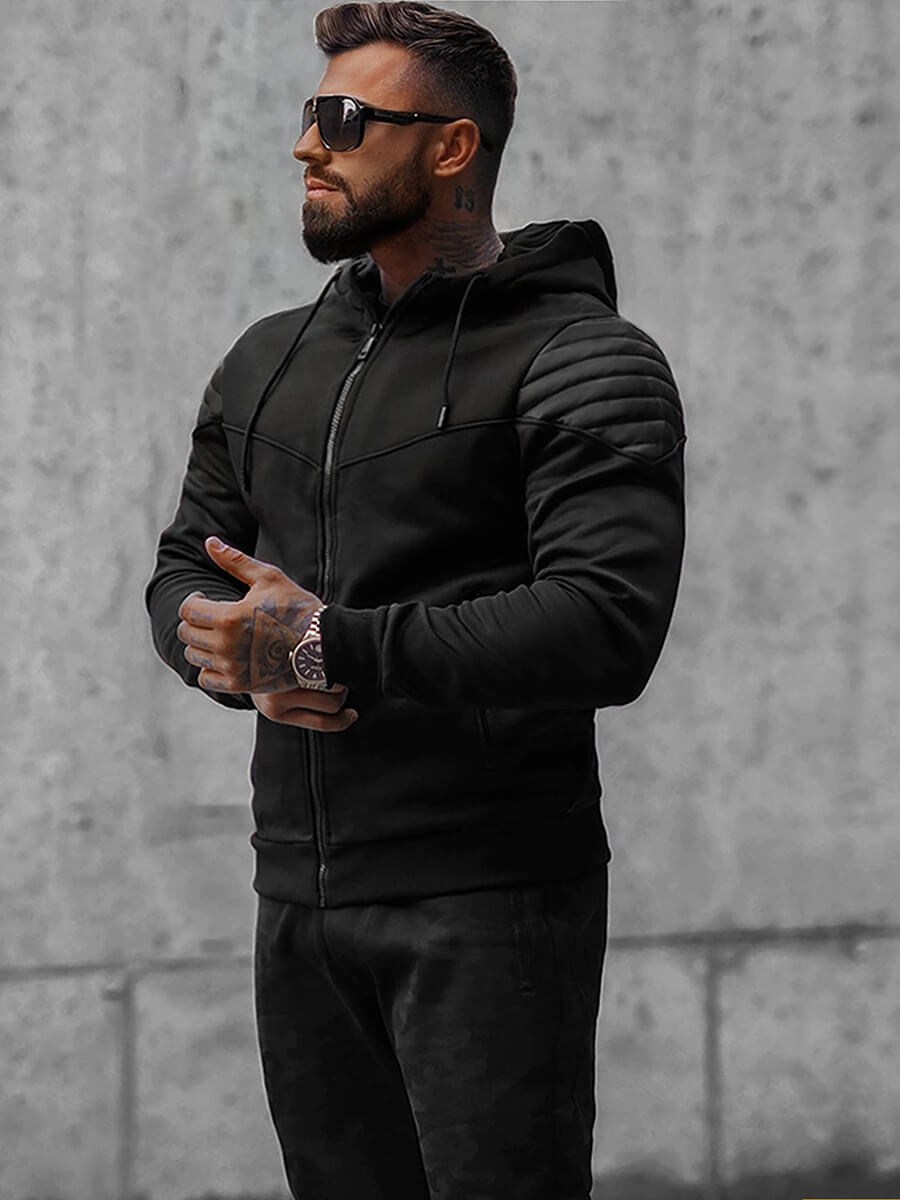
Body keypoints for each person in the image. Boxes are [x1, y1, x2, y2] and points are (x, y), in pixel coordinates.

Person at [144, 2, 687, 1197]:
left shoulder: (583, 357)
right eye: (310, 113)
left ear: (451, 147)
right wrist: (233, 657)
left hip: (489, 899)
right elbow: (187, 565)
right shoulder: (268, 358)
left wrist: (324, 646)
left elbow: (605, 623)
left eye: (345, 119)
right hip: (298, 895)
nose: (307, 144)